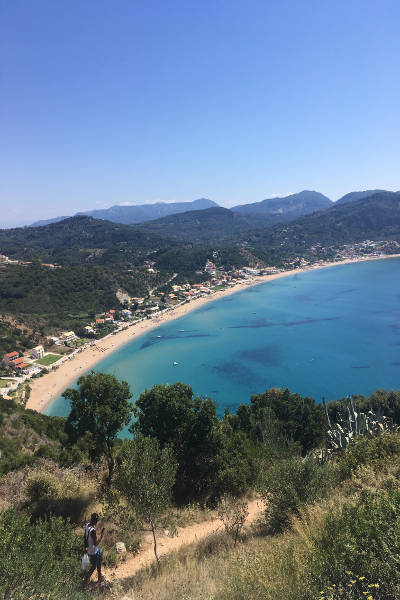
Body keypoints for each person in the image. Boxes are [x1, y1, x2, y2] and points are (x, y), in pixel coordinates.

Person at [83, 513, 105, 585]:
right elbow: (96, 544)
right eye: (97, 521)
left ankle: (99, 577)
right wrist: (101, 536)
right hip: (93, 550)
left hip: (89, 548)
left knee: (99, 559)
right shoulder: (93, 530)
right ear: (95, 521)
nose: (97, 522)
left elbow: (84, 537)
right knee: (94, 566)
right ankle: (86, 580)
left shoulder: (87, 526)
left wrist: (85, 547)